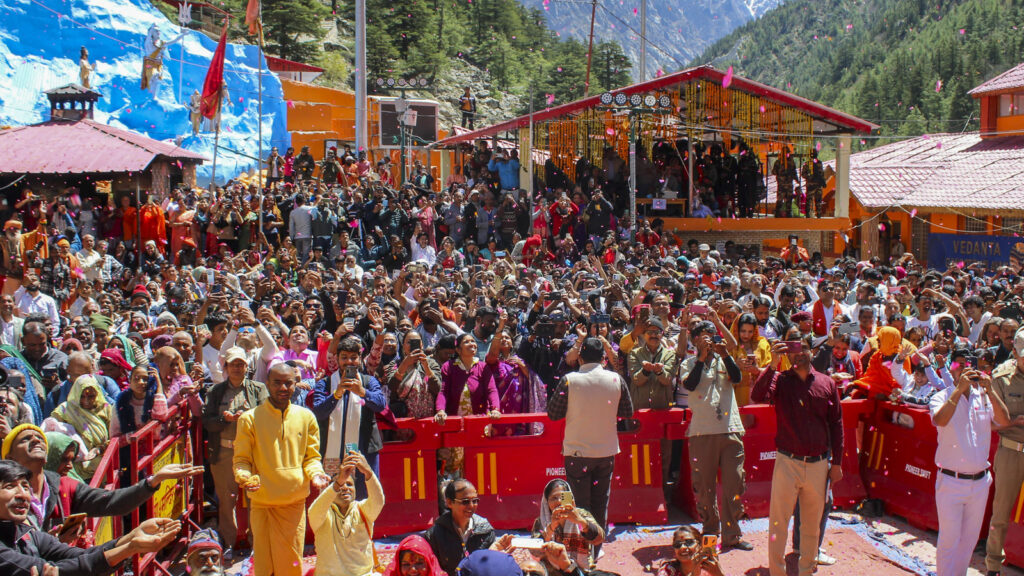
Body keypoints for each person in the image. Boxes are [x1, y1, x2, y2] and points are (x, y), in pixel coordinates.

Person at [751, 334, 843, 576]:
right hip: (787, 462)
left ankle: (806, 571)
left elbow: (836, 424)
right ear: (787, 353)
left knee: (812, 525)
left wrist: (837, 463)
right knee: (778, 523)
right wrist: (772, 364)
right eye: (792, 349)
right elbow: (757, 396)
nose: (798, 353)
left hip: (818, 464)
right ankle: (777, 572)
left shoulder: (826, 383)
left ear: (812, 351)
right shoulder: (780, 380)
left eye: (803, 348)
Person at [1, 422, 201, 532]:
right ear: (9, 457)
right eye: (26, 439)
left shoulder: (62, 485)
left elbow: (111, 502)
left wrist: (154, 480)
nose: (36, 440)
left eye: (39, 437)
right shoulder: (4, 495)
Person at [232, 362, 331, 576]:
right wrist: (244, 476)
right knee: (264, 565)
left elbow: (312, 458)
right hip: (262, 502)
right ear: (267, 384)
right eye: (277, 383)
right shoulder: (249, 419)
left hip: (293, 503)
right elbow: (241, 460)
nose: (283, 388)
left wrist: (316, 474)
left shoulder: (306, 417)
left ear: (296, 384)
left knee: (290, 564)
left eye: (288, 383)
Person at [0, 460, 181, 576]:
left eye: (25, 487)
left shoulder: (26, 533)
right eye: (10, 486)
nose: (22, 494)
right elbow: (56, 570)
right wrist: (130, 548)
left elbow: (81, 556)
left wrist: (132, 537)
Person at [547, 337, 633, 552]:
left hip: (577, 452)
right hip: (606, 451)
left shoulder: (569, 380)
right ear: (604, 358)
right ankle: (596, 548)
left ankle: (582, 552)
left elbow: (553, 413)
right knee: (600, 503)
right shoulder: (616, 379)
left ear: (580, 358)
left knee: (579, 505)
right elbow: (627, 412)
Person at [929, 352, 1009, 576]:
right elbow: (940, 420)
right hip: (951, 481)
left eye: (968, 365)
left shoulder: (983, 396)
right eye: (959, 365)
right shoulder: (941, 397)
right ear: (951, 368)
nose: (964, 369)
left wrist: (990, 390)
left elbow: (1004, 420)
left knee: (969, 541)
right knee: (949, 539)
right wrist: (959, 390)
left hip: (980, 482)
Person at [679, 321, 750, 551]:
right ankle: (710, 531)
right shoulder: (689, 363)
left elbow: (737, 378)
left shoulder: (724, 359)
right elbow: (690, 385)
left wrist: (725, 354)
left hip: (730, 429)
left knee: (734, 484)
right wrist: (701, 357)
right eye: (703, 336)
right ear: (695, 340)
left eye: (712, 335)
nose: (709, 339)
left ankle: (732, 535)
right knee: (704, 487)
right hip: (702, 432)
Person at [202, 347, 267, 556]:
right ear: (226, 367)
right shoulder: (215, 391)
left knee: (255, 496)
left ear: (247, 367)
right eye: (233, 364)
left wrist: (249, 417)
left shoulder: (258, 389)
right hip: (224, 451)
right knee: (226, 499)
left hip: (252, 452)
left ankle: (256, 543)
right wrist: (224, 419)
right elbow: (207, 422)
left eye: (241, 364)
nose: (237, 368)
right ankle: (229, 543)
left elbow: (268, 417)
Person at [311, 335, 387, 499]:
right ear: (337, 359)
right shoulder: (325, 383)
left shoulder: (368, 381)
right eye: (344, 357)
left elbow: (381, 405)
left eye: (353, 357)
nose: (349, 362)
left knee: (366, 497)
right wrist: (336, 394)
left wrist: (362, 392)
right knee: (332, 498)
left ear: (360, 359)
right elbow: (318, 412)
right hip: (332, 450)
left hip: (364, 449)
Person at [985, 329, 1024, 576]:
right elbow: (987, 421)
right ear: (1016, 352)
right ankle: (993, 566)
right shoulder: (1001, 378)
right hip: (1012, 452)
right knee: (1000, 513)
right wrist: (1012, 422)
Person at [309, 450, 384, 576]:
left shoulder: (362, 510)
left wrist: (368, 472)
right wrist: (338, 482)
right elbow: (314, 511)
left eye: (349, 484)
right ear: (332, 490)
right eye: (341, 485)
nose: (345, 488)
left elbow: (378, 501)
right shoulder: (323, 515)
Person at [423, 479, 498, 576]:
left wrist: (497, 553)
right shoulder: (435, 535)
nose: (471, 506)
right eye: (465, 502)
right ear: (449, 503)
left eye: (475, 501)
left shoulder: (486, 531)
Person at [532, 479, 604, 573]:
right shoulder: (541, 521)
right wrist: (551, 528)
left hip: (581, 572)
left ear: (570, 498)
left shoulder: (581, 514)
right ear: (546, 502)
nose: (559, 502)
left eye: (563, 497)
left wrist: (581, 521)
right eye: (554, 498)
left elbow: (599, 538)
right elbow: (535, 552)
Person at [656, 525, 725, 576]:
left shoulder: (709, 568)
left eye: (689, 542)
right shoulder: (667, 571)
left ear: (700, 545)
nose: (682, 547)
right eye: (677, 544)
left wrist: (719, 574)